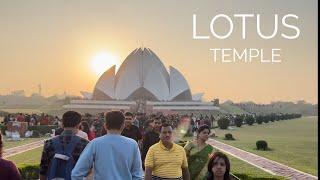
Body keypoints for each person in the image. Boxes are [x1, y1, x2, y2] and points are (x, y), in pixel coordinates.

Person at [71, 111, 143, 180]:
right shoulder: (132, 144)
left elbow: (76, 173)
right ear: (122, 126)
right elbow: (137, 175)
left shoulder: (95, 143)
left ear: (105, 126)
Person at [39, 111, 89, 180]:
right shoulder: (85, 144)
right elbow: (88, 170)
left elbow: (43, 170)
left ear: (62, 124)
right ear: (78, 125)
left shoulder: (49, 143)